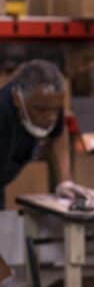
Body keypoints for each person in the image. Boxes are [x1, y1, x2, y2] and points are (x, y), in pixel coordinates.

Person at [0, 60, 73, 209]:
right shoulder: (2, 112)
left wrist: (65, 182)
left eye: (55, 110)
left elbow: (58, 134)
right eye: (41, 110)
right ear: (17, 99)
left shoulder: (49, 100)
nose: (50, 117)